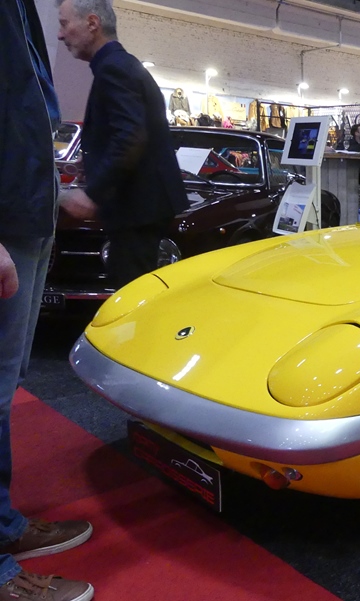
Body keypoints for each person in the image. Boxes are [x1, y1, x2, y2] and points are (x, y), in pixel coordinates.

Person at [0, 2, 95, 600]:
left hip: (26, 216)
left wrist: (49, 196)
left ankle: (4, 527)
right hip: (8, 225)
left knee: (5, 386)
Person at [56, 0, 189, 288]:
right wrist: (93, 161)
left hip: (137, 209)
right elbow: (134, 131)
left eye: (64, 24)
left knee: (131, 298)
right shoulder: (122, 64)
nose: (60, 34)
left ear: (92, 23)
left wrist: (92, 194)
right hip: (143, 207)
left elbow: (131, 136)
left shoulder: (114, 68)